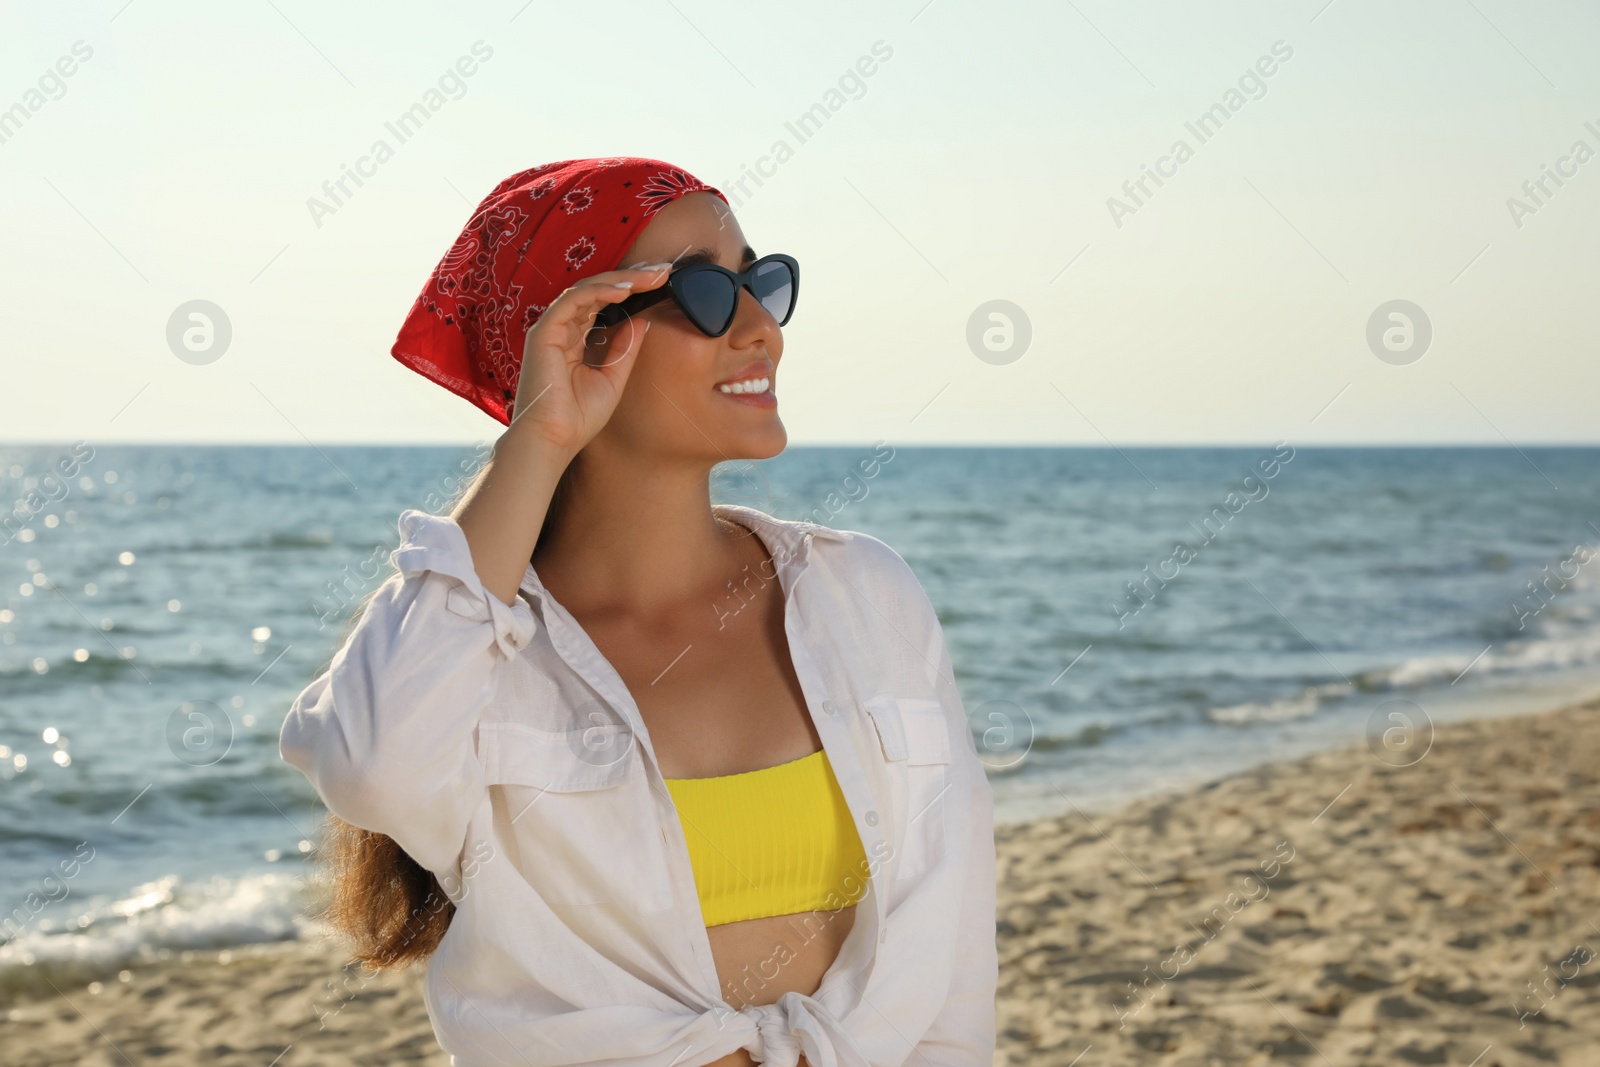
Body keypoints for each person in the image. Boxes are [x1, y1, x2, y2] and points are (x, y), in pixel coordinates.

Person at [279, 157, 997, 1067]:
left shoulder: (866, 596)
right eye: (703, 292)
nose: (760, 330)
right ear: (574, 337)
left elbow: (955, 961)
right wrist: (535, 438)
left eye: (760, 283)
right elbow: (373, 768)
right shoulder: (473, 657)